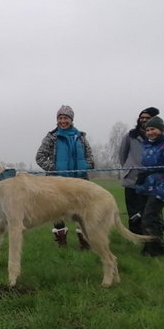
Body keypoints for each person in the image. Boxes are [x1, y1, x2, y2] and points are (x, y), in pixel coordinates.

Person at [35, 105, 95, 249]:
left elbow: (90, 156)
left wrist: (85, 167)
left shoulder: (80, 137)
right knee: (57, 212)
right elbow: (40, 157)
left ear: (71, 120)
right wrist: (54, 168)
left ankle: (84, 241)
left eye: (66, 118)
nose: (63, 121)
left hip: (80, 180)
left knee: (82, 211)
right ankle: (61, 242)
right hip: (57, 182)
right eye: (60, 118)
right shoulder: (51, 137)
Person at [136, 115, 164, 256]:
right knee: (150, 217)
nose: (150, 132)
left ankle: (153, 249)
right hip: (148, 186)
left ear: (161, 129)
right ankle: (155, 246)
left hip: (160, 187)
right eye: (147, 130)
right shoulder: (149, 144)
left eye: (153, 129)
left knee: (149, 218)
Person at [119, 107, 159, 233]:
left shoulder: (157, 136)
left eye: (147, 118)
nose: (144, 120)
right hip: (132, 180)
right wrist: (128, 168)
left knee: (147, 210)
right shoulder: (130, 136)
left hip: (150, 180)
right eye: (142, 118)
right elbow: (122, 155)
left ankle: (148, 233)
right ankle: (134, 235)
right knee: (133, 211)